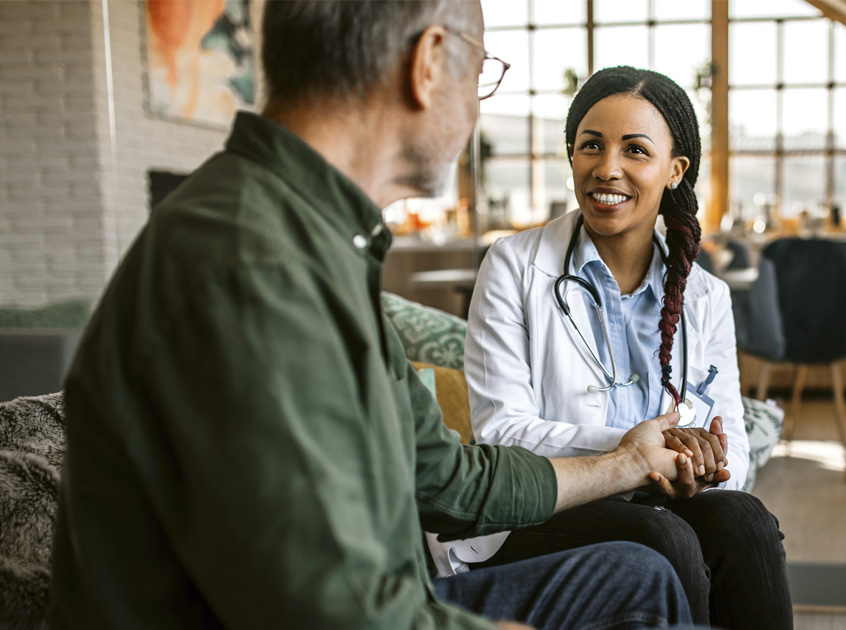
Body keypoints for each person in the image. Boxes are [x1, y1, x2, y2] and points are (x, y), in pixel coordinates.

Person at [48, 3, 701, 629]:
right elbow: (325, 613)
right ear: (428, 62)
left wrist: (624, 462)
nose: (478, 103)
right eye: (481, 72)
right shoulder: (253, 267)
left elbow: (447, 480)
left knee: (634, 575)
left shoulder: (313, 239)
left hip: (387, 595)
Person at [463, 66, 792, 630]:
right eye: (591, 145)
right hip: (544, 509)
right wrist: (631, 454)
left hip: (664, 499)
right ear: (572, 158)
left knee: (746, 521)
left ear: (674, 170)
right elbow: (500, 434)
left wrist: (701, 465)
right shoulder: (513, 266)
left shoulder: (705, 295)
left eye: (635, 150)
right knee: (663, 537)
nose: (606, 167)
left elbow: (730, 440)